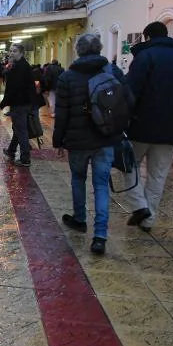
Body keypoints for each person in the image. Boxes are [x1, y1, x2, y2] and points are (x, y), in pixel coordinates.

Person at [53, 33, 132, 254]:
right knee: (101, 185)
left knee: (78, 179)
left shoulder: (67, 77)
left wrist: (58, 141)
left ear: (78, 50)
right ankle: (100, 236)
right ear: (99, 48)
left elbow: (62, 114)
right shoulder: (112, 72)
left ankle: (79, 219)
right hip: (105, 139)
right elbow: (129, 102)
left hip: (78, 142)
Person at [123, 21, 173, 232]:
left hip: (141, 125)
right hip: (171, 130)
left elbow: (131, 92)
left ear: (146, 37)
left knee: (129, 165)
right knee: (158, 174)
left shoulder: (145, 57)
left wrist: (124, 119)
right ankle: (148, 219)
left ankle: (140, 206)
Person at [0, 43, 38, 167]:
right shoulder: (19, 65)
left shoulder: (20, 67)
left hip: (20, 103)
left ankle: (25, 158)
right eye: (10, 51)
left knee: (21, 130)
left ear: (21, 53)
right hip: (22, 103)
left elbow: (13, 87)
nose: (11, 53)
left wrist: (4, 102)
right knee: (18, 128)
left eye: (15, 51)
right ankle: (11, 150)